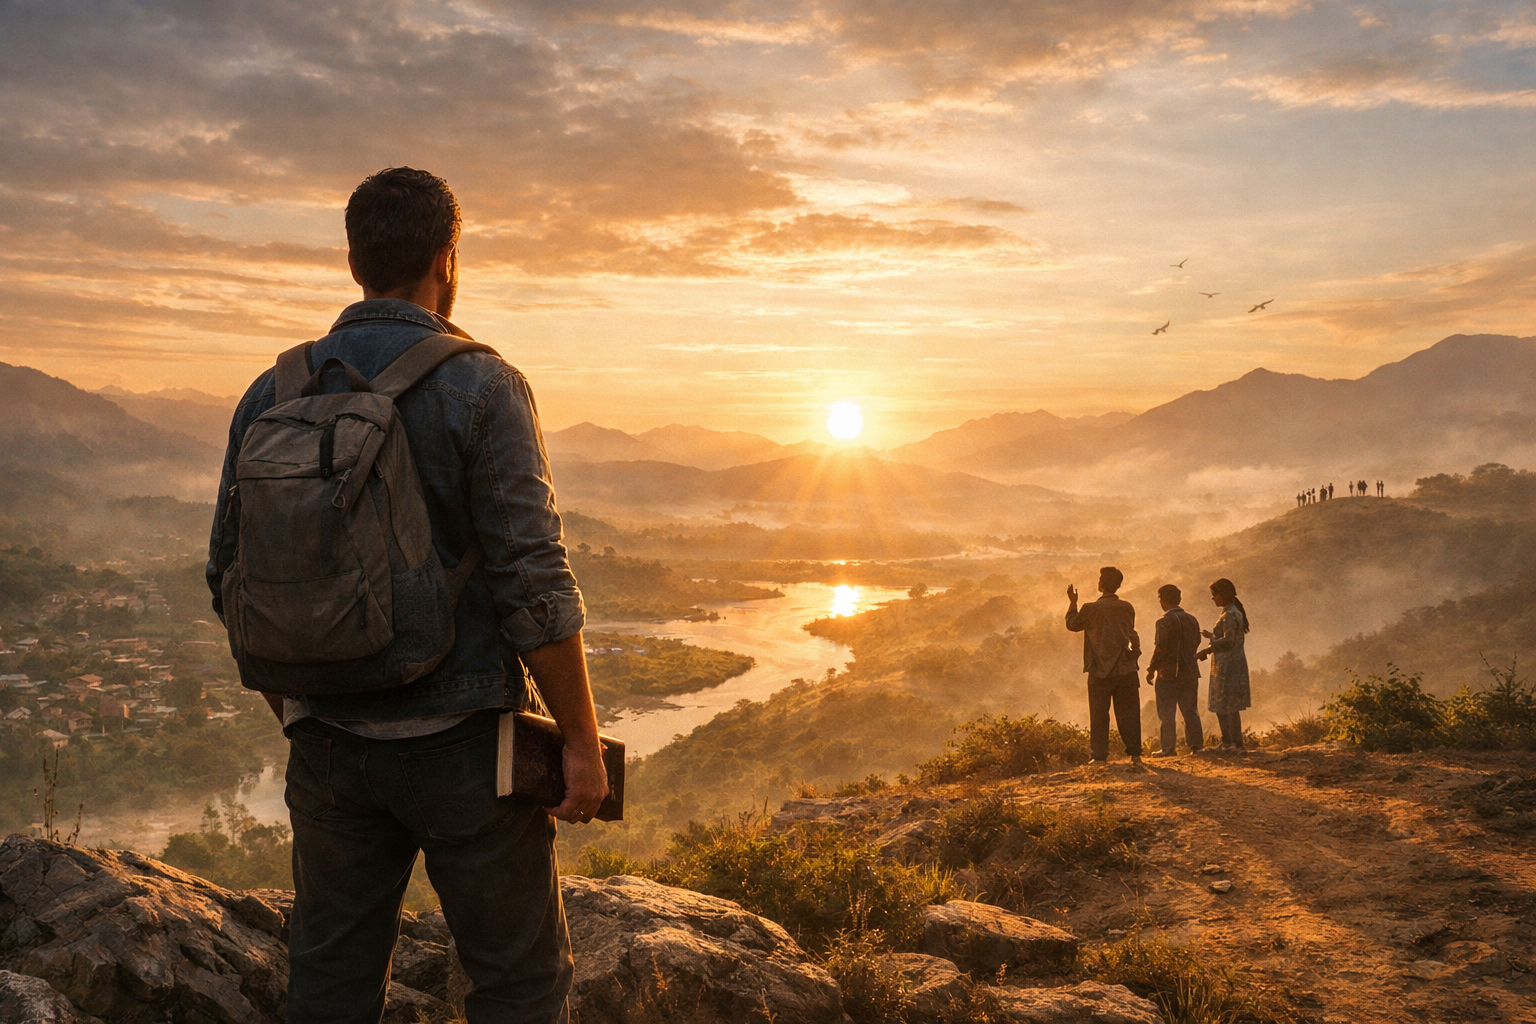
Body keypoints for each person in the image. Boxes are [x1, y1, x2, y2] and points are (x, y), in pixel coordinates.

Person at [207, 167, 607, 1024]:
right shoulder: (483, 386)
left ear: (354, 264)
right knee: (517, 983)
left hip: (326, 748)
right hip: (466, 747)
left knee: (330, 983)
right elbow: (533, 582)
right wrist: (581, 740)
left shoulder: (271, 394)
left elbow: (227, 576)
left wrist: (301, 710)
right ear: (446, 258)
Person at [1065, 566, 1142, 765]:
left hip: (1100, 670)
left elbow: (1072, 624)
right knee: (1129, 713)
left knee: (1099, 713)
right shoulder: (1127, 607)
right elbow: (1129, 631)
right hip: (1126, 668)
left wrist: (1073, 603)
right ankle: (1135, 754)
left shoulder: (1090, 609)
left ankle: (1099, 756)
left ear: (1101, 584)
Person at [1146, 584, 1203, 756]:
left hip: (1168, 673)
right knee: (1191, 711)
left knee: (1167, 713)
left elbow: (1160, 647)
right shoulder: (1192, 619)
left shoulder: (1163, 621)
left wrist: (1151, 667)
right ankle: (1196, 747)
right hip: (1191, 672)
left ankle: (1168, 749)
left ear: (1162, 600)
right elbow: (1197, 642)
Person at [1197, 578, 1251, 754]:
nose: (1213, 599)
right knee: (1231, 705)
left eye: (1215, 595)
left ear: (1223, 595)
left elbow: (1228, 641)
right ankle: (1235, 743)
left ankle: (1230, 743)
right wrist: (1212, 636)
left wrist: (1207, 650)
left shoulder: (1228, 615)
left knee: (1224, 704)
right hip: (1233, 664)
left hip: (1227, 666)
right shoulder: (1234, 612)